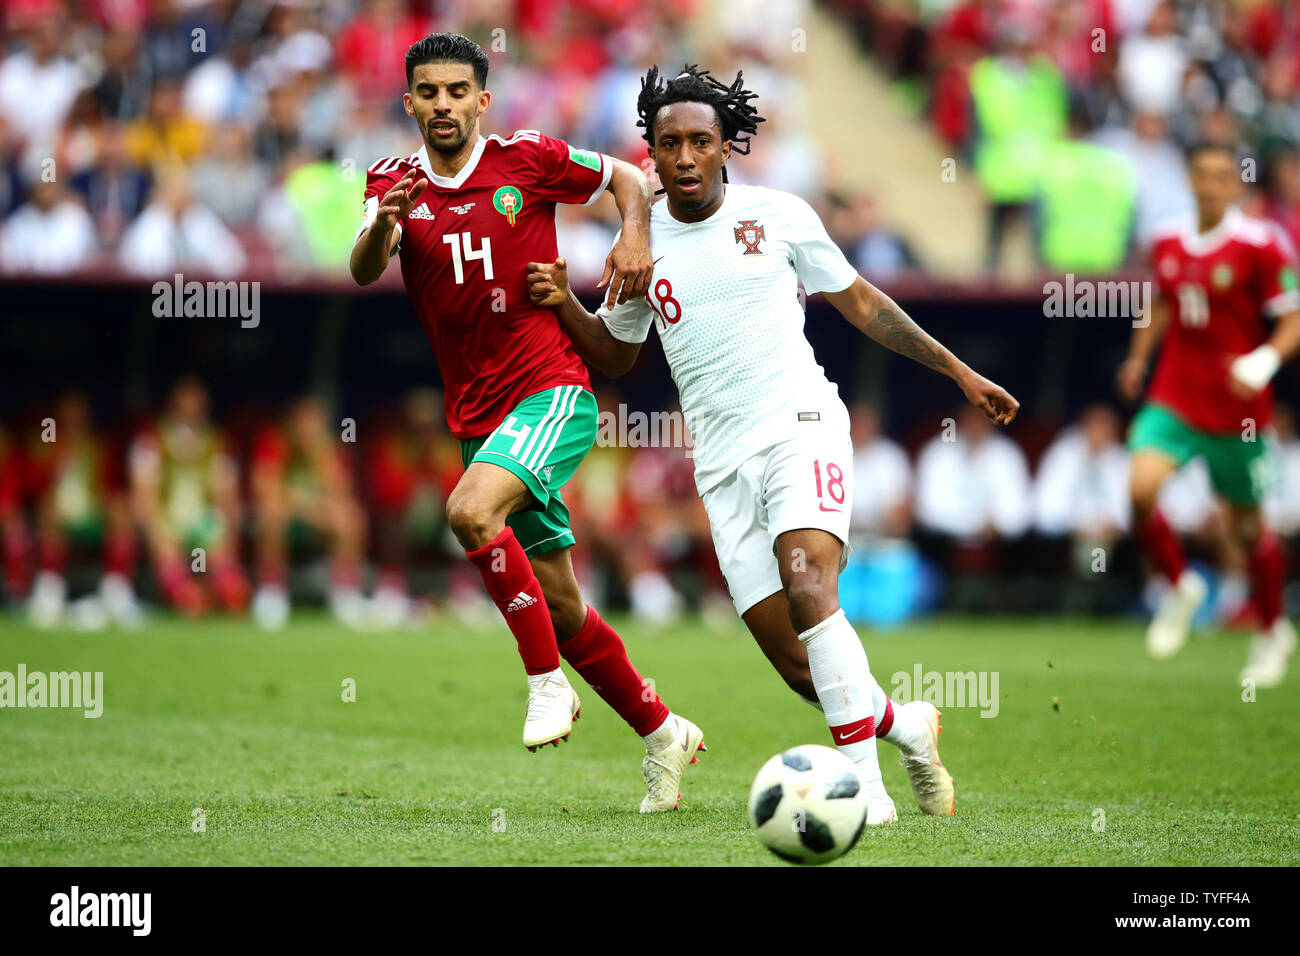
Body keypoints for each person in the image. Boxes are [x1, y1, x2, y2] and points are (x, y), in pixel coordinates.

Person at [528, 65, 1020, 821]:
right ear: (649, 155)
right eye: (669, 144)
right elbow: (619, 355)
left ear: (729, 147)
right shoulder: (638, 242)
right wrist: (565, 300)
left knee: (810, 586)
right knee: (799, 667)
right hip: (721, 464)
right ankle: (907, 726)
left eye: (700, 141)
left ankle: (868, 793)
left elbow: (860, 301)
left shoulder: (781, 214)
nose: (685, 156)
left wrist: (958, 371)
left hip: (802, 425)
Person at [348, 34, 701, 812]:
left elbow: (628, 176)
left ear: (482, 99)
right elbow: (366, 265)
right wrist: (384, 224)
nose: (443, 105)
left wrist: (633, 232)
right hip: (477, 416)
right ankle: (662, 730)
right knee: (563, 605)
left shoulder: (528, 158)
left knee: (469, 511)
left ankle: (546, 686)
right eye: (428, 93)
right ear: (409, 101)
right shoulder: (392, 181)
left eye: (457, 92)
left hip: (552, 392)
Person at [1117, 142, 1300, 687]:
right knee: (1140, 489)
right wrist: (1137, 358)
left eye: (1223, 175)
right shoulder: (1167, 238)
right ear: (1190, 179)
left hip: (1237, 408)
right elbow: (1164, 301)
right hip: (1175, 393)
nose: (1211, 183)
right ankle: (1180, 585)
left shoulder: (1261, 244)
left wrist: (1263, 360)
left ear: (1237, 184)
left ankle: (1271, 630)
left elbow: (1292, 319)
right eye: (1202, 173)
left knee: (1247, 530)